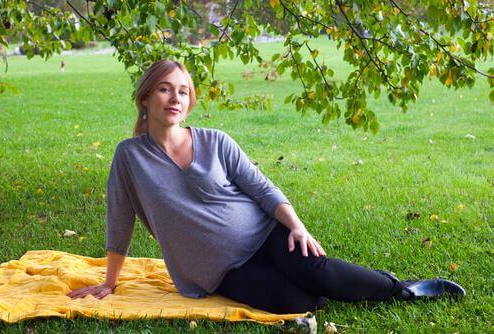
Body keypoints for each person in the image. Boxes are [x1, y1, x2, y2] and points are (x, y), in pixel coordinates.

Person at [67, 60, 466, 314]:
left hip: (264, 234)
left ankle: (402, 288)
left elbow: (261, 188)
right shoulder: (129, 157)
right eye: (165, 88)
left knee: (319, 272)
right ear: (145, 98)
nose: (175, 97)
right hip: (217, 270)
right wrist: (109, 281)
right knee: (296, 301)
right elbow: (120, 220)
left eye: (183, 91)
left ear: (190, 102)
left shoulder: (215, 140)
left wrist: (296, 226)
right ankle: (344, 280)